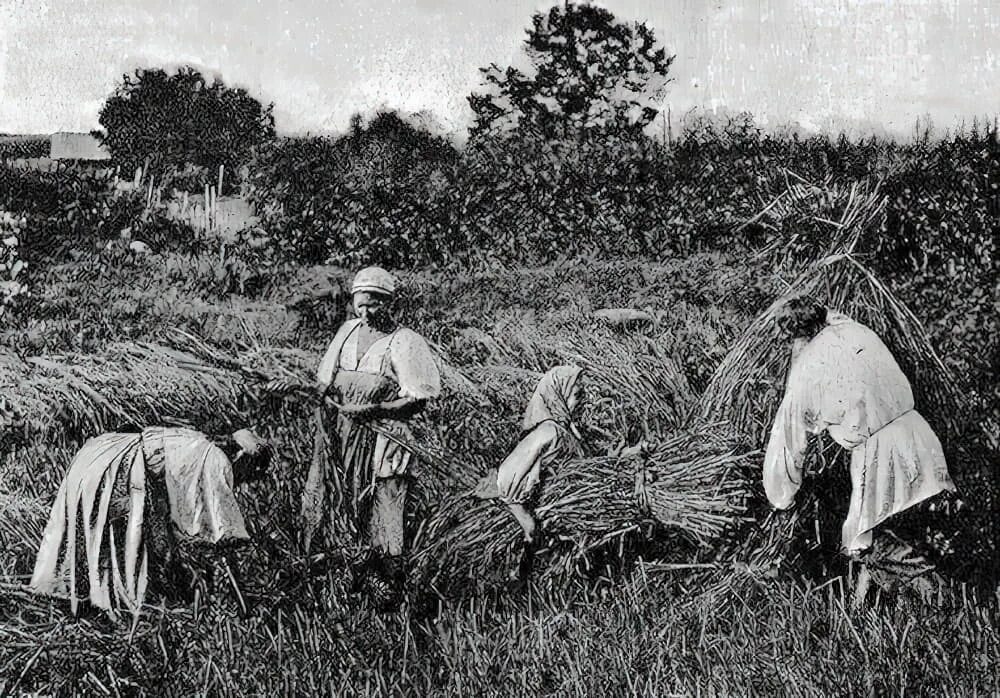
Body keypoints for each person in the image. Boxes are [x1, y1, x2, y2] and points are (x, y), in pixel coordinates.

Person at [762, 296, 956, 599]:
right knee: (875, 531)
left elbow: (789, 439)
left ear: (794, 336)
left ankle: (940, 599)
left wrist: (780, 495)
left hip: (882, 454)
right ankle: (864, 609)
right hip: (919, 437)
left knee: (862, 542)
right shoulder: (857, 332)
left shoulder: (807, 369)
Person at [30, 426, 272, 621]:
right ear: (243, 457)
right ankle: (104, 605)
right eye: (250, 471)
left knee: (99, 533)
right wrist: (244, 604)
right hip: (120, 465)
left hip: (98, 453)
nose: (245, 479)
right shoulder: (216, 460)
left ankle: (83, 600)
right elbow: (223, 535)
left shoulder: (197, 444)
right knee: (118, 536)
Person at [303, 265, 441, 603]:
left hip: (382, 437)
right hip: (341, 434)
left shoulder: (404, 341)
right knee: (333, 499)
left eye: (376, 304)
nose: (366, 312)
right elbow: (324, 380)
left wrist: (374, 411)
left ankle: (387, 586)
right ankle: (341, 575)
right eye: (361, 304)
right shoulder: (348, 331)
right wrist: (321, 401)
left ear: (391, 303)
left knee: (383, 504)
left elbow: (416, 401)